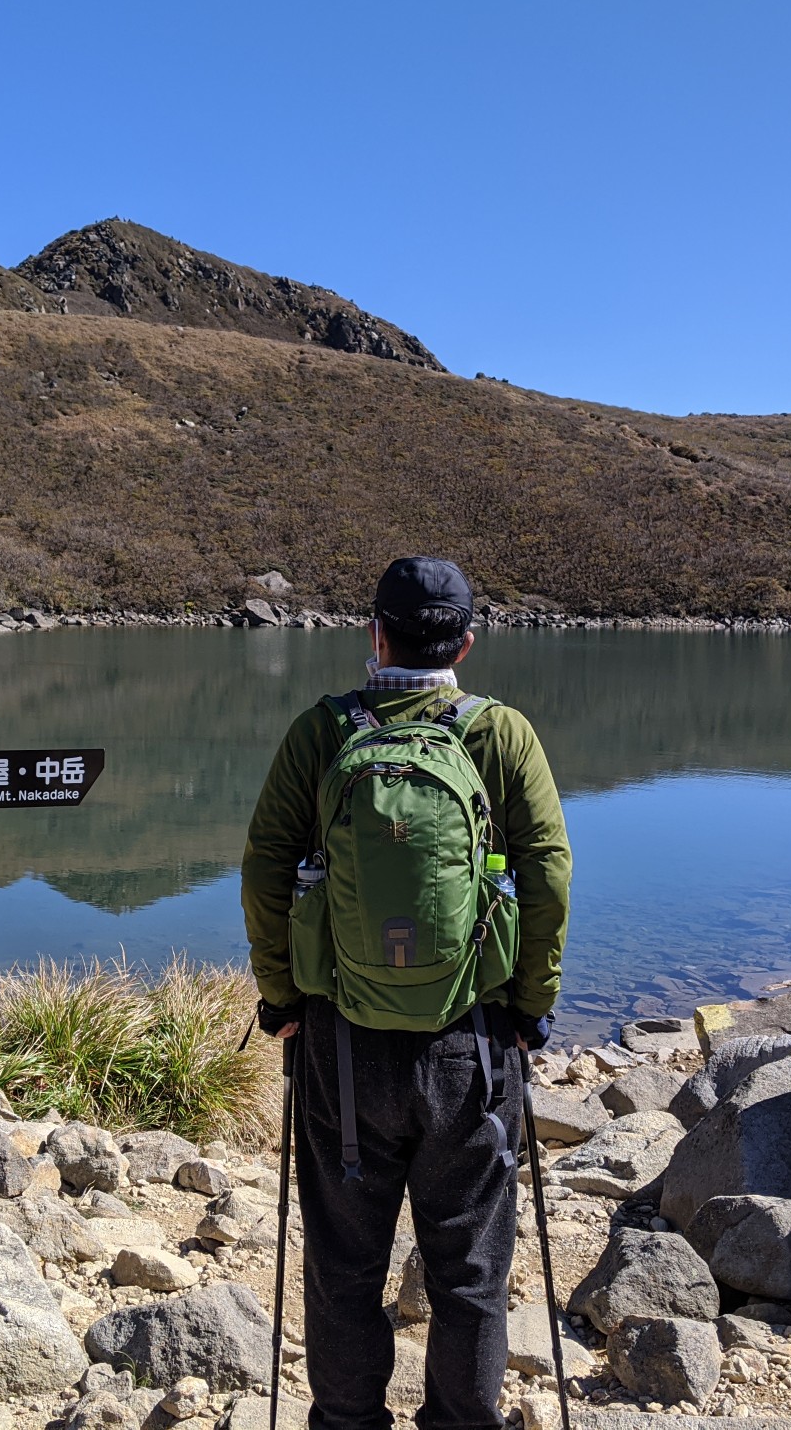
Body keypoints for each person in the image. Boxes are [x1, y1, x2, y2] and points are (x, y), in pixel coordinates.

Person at [242, 555, 573, 1430]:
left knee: (344, 1263)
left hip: (341, 1044)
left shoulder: (323, 732)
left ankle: (347, 1422)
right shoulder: (498, 734)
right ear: (466, 641)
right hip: (470, 1045)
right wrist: (530, 1008)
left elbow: (266, 870)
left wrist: (281, 1001)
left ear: (373, 632)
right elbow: (547, 877)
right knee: (468, 1269)